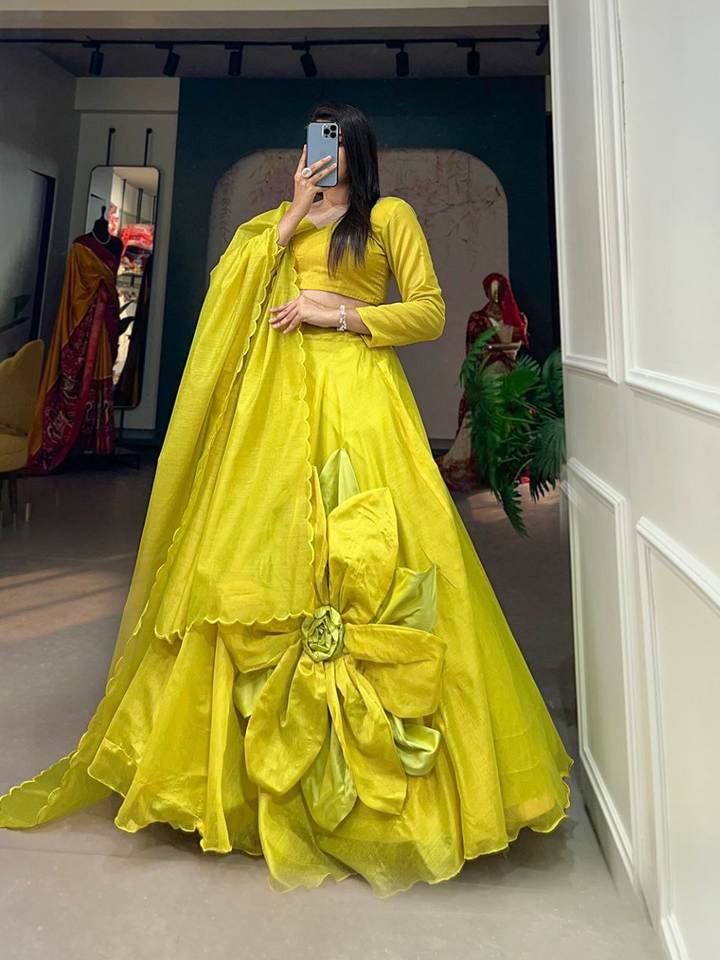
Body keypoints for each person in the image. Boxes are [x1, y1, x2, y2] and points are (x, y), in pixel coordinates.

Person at [0, 102, 572, 897]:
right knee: (251, 560)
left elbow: (430, 311)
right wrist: (296, 210)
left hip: (360, 398)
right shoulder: (283, 221)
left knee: (378, 550)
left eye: (331, 144)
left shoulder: (390, 217)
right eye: (311, 143)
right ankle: (229, 781)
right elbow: (232, 291)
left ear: (356, 151)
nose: (318, 154)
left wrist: (338, 311)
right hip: (272, 408)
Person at [437, 272, 530, 492]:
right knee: (482, 411)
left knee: (516, 413)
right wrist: (497, 351)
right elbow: (474, 351)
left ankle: (508, 467)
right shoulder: (477, 318)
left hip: (511, 374)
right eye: (492, 289)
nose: (495, 294)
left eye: (499, 289)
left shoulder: (518, 318)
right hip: (488, 373)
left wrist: (496, 348)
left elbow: (518, 346)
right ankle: (483, 466)